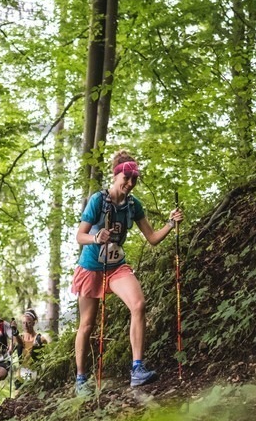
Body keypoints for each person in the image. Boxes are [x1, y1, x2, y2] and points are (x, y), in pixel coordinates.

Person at [70, 150, 184, 395]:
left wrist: (170, 224)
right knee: (87, 324)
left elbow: (152, 238)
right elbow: (80, 235)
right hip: (91, 266)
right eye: (127, 178)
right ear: (116, 175)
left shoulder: (134, 205)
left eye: (134, 180)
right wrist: (95, 237)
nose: (130, 184)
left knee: (139, 304)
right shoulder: (98, 201)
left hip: (116, 267)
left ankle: (137, 369)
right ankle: (81, 379)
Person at [14, 308, 49, 387]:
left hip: (35, 374)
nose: (25, 325)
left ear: (34, 323)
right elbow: (9, 351)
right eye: (23, 323)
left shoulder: (41, 339)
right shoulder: (19, 338)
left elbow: (47, 358)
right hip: (20, 375)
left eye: (28, 323)